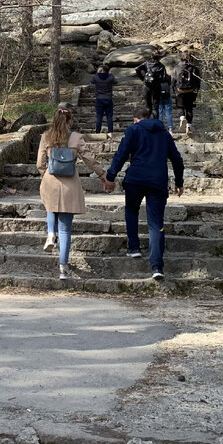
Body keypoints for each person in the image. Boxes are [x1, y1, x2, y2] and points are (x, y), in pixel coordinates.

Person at [104, 105, 184, 280]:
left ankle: (134, 248)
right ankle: (157, 267)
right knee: (155, 223)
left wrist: (110, 176)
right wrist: (179, 182)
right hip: (157, 182)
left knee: (131, 210)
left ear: (136, 119)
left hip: (135, 180)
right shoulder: (164, 134)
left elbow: (121, 154)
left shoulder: (133, 130)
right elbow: (177, 160)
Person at [36, 104, 110, 280]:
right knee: (66, 229)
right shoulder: (76, 138)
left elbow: (40, 162)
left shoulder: (46, 136)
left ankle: (50, 233)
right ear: (69, 121)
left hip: (51, 180)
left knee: (50, 206)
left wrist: (45, 174)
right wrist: (103, 176)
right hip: (70, 184)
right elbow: (90, 159)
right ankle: (63, 268)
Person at [135, 55, 172, 129]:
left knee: (148, 106)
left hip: (146, 87)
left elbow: (137, 69)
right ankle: (155, 124)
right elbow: (163, 78)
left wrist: (143, 78)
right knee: (155, 107)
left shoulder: (146, 63)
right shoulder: (161, 66)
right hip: (156, 87)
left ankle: (147, 124)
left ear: (151, 57)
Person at [172, 50, 202, 136]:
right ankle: (189, 126)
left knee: (181, 106)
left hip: (180, 90)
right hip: (191, 90)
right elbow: (198, 81)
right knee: (189, 108)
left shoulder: (176, 68)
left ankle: (182, 118)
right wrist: (197, 91)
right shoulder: (195, 69)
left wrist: (174, 90)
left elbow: (173, 80)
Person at [90, 63, 117, 133]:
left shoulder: (96, 77)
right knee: (109, 117)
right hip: (108, 98)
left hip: (99, 98)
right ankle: (110, 131)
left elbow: (92, 81)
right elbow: (115, 82)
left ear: (101, 69)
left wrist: (97, 73)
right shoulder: (111, 76)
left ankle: (97, 131)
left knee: (99, 117)